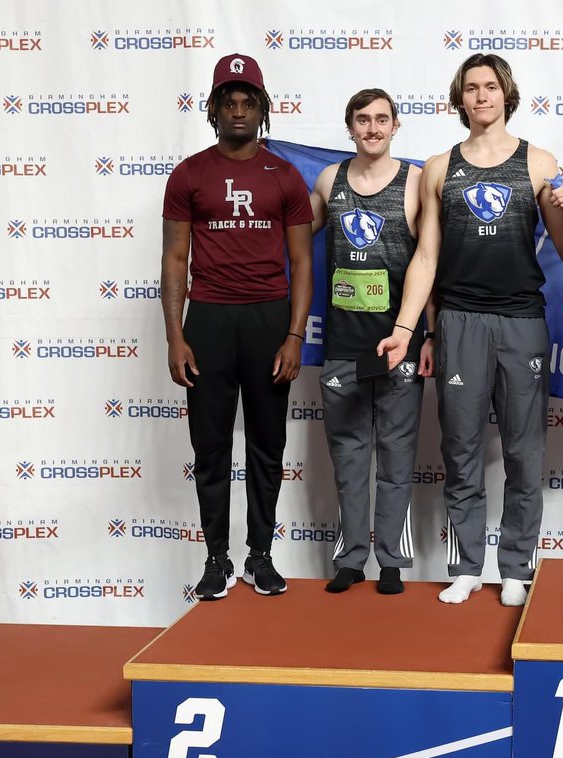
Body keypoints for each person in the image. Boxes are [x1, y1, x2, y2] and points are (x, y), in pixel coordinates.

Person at [377, 53, 563, 606]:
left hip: (522, 320)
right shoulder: (439, 167)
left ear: (505, 94)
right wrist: (406, 328)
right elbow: (426, 258)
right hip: (459, 322)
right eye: (471, 88)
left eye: (490, 86)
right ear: (459, 98)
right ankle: (466, 566)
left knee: (524, 452)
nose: (482, 96)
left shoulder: (539, 162)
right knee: (460, 449)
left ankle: (516, 568)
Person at [161, 53, 314, 600]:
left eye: (249, 102)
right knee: (210, 447)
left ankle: (260, 556)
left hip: (268, 318)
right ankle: (216, 559)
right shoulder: (189, 174)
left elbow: (302, 262)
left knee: (267, 445)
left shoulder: (285, 176)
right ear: (214, 109)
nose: (239, 110)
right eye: (229, 102)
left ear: (263, 108)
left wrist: (294, 336)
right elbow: (175, 259)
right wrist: (175, 335)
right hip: (208, 319)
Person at [308, 89, 430, 595]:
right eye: (363, 119)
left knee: (397, 456)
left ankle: (392, 562)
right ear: (350, 126)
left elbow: (432, 260)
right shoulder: (328, 180)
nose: (372, 128)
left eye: (382, 119)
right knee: (349, 457)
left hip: (398, 344)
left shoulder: (416, 181)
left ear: (396, 125)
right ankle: (351, 558)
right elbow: (292, 236)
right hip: (343, 343)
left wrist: (428, 334)